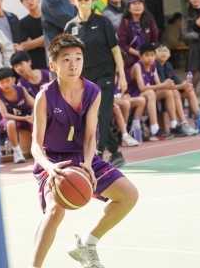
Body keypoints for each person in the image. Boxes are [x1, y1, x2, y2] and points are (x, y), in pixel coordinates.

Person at [29, 34, 138, 268]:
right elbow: (35, 145)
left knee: (129, 195)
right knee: (55, 210)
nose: (73, 64)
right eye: (66, 59)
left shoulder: (93, 92)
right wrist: (49, 167)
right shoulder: (44, 96)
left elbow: (90, 136)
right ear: (53, 65)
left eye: (78, 58)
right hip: (53, 160)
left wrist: (88, 164)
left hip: (83, 156)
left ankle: (87, 244)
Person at [64, 0, 133, 166]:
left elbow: (116, 50)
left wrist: (122, 76)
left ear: (93, 0)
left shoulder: (103, 22)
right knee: (89, 116)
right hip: (83, 79)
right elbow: (66, 55)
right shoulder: (70, 26)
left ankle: (97, 157)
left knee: (101, 114)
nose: (83, 1)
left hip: (105, 75)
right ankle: (116, 153)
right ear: (74, 1)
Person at [155, 42, 200, 133]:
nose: (163, 53)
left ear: (169, 54)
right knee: (175, 92)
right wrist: (180, 86)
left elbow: (177, 82)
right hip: (159, 94)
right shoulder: (154, 66)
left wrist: (185, 85)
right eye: (160, 51)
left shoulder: (168, 65)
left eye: (165, 51)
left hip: (170, 93)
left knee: (189, 91)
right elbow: (162, 86)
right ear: (154, 53)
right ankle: (183, 123)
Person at [126, 43, 179, 141]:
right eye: (147, 55)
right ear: (140, 56)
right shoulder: (137, 66)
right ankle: (155, 129)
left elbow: (159, 85)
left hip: (146, 96)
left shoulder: (153, 65)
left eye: (152, 55)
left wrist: (167, 84)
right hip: (134, 96)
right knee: (150, 92)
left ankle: (174, 125)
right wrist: (163, 85)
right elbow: (142, 88)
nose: (150, 58)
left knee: (167, 91)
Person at [0, 67, 34, 164]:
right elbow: (5, 115)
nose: (5, 84)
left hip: (25, 115)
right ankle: (17, 152)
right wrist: (24, 118)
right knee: (11, 123)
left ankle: (43, 148)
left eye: (8, 81)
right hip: (9, 118)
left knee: (40, 120)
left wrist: (32, 117)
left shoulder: (21, 89)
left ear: (13, 79)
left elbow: (35, 105)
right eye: (2, 82)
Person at [117, 0, 159, 76]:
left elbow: (154, 39)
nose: (137, 6)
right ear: (128, 8)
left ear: (144, 7)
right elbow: (123, 44)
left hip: (148, 59)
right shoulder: (124, 23)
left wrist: (148, 54)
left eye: (139, 3)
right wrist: (139, 54)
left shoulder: (150, 21)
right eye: (134, 4)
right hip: (131, 60)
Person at [18, 0, 49, 70]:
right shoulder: (22, 23)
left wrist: (33, 43)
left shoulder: (49, 17)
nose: (29, 1)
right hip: (36, 63)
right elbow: (25, 46)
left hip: (54, 58)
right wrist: (46, 36)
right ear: (23, 3)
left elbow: (56, 38)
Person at [182, 0, 200, 91]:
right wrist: (199, 35)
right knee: (193, 78)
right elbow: (184, 34)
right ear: (189, 0)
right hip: (194, 47)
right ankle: (191, 99)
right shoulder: (186, 14)